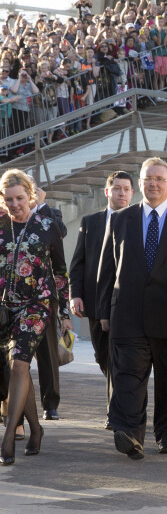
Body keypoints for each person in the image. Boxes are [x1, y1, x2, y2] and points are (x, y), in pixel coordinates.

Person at [96, 157, 167, 460]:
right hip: (130, 314)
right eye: (148, 178)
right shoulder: (121, 219)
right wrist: (104, 312)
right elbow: (108, 268)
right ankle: (131, 435)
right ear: (140, 183)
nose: (154, 184)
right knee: (128, 376)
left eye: (160, 179)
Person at [0, 170, 71, 465]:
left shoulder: (47, 224)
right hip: (5, 308)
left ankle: (7, 440)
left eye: (20, 198)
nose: (16, 204)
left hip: (37, 305)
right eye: (9, 199)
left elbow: (60, 271)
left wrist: (64, 313)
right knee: (19, 370)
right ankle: (36, 429)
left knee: (19, 365)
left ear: (30, 196)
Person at [69, 171, 134, 419]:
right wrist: (75, 295)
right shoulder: (90, 222)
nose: (122, 193)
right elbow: (78, 263)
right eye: (117, 188)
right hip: (96, 302)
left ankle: (116, 410)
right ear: (107, 192)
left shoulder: (137, 220)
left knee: (123, 360)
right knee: (103, 356)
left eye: (126, 189)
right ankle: (118, 401)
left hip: (127, 304)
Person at [32, 187, 67, 421]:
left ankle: (50, 403)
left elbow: (60, 268)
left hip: (44, 299)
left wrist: (64, 311)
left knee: (47, 354)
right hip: (9, 299)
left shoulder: (50, 215)